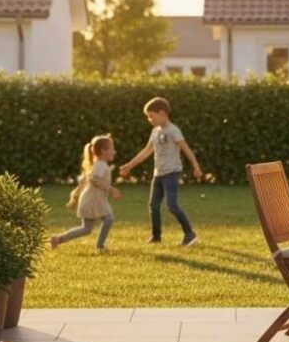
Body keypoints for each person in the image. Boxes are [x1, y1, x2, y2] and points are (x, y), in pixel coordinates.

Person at [119, 97, 203, 247]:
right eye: (148, 117)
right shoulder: (155, 131)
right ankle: (156, 236)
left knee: (172, 205)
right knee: (153, 205)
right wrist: (129, 165)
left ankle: (189, 234)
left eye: (151, 116)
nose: (149, 119)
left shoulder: (173, 130)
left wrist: (196, 166)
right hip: (158, 174)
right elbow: (146, 151)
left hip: (171, 173)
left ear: (162, 113)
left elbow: (186, 148)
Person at [50, 134, 121, 252]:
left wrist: (75, 197)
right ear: (104, 151)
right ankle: (100, 247)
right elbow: (94, 179)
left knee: (86, 229)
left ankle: (58, 239)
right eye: (112, 148)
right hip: (92, 200)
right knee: (107, 220)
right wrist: (111, 190)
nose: (114, 151)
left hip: (93, 200)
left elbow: (84, 182)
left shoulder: (98, 165)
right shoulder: (100, 165)